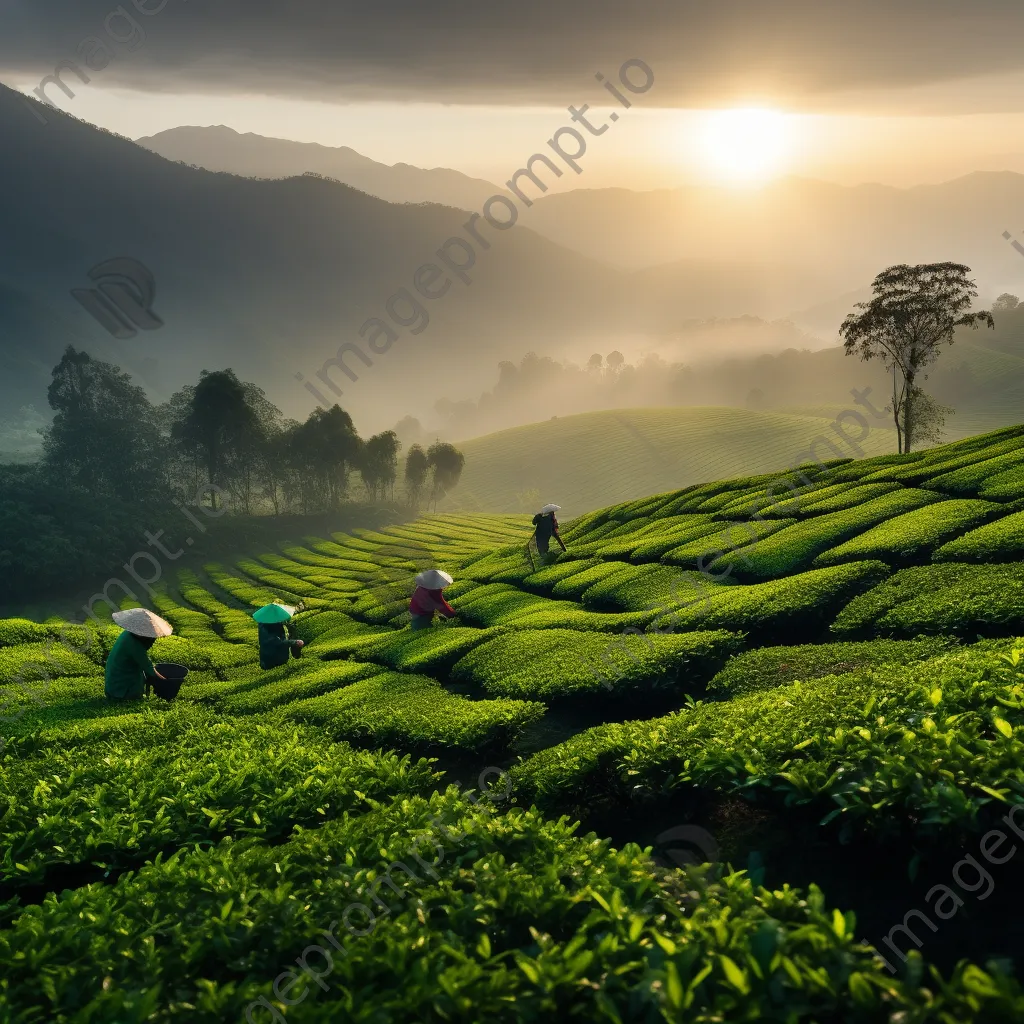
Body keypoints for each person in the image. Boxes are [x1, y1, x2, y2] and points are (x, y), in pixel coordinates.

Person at [105, 608, 172, 700]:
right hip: (120, 689)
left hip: (113, 684)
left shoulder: (127, 634)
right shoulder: (135, 645)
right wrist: (169, 682)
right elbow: (149, 669)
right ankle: (130, 697)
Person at [253, 603, 305, 669]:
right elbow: (277, 642)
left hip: (278, 659)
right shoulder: (265, 629)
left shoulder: (269, 623)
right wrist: (294, 642)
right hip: (271, 662)